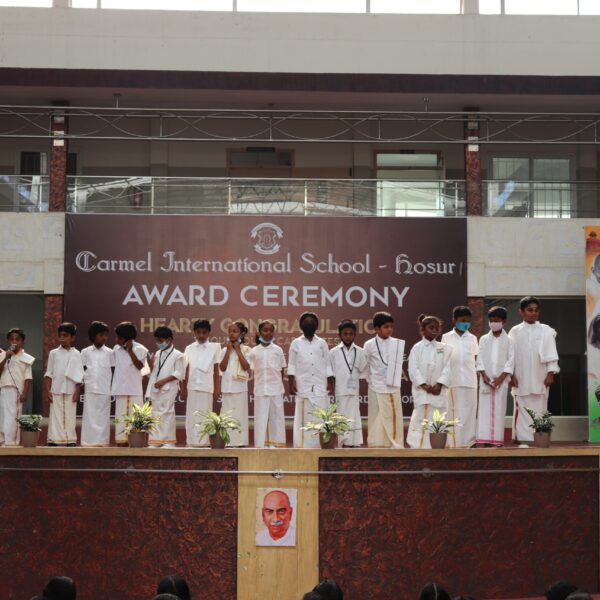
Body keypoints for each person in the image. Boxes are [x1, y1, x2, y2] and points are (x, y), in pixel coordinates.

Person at [509, 296, 559, 445]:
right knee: (522, 408)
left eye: (536, 310)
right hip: (521, 377)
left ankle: (539, 439)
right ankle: (523, 439)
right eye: (530, 310)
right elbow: (510, 355)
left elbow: (551, 353)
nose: (533, 313)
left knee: (540, 409)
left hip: (540, 376)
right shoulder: (515, 331)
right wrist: (511, 375)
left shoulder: (546, 330)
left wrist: (551, 373)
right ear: (521, 311)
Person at [407, 314, 453, 449]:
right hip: (423, 392)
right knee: (420, 418)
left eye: (437, 328)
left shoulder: (444, 348)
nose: (434, 330)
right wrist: (424, 385)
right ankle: (418, 446)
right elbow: (413, 369)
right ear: (423, 329)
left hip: (438, 392)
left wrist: (439, 384)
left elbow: (448, 367)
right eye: (431, 328)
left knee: (438, 418)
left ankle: (438, 446)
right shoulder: (417, 348)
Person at [288, 312, 333, 448]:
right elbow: (292, 365)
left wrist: (330, 381)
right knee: (304, 418)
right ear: (301, 325)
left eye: (312, 321)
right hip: (303, 385)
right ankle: (302, 446)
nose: (309, 323)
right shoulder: (296, 343)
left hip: (320, 385)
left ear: (317, 325)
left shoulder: (322, 343)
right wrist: (291, 383)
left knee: (320, 417)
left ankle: (319, 447)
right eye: (306, 322)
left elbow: (327, 363)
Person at [363, 311, 405, 448]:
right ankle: (377, 445)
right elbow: (365, 366)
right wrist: (372, 380)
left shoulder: (397, 344)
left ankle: (396, 444)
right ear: (377, 328)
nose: (390, 329)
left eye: (391, 326)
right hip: (376, 387)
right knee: (376, 416)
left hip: (393, 386)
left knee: (394, 416)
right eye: (386, 327)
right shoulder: (369, 344)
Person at [476, 306, 514, 447]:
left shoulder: (509, 340)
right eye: (491, 320)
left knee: (499, 409)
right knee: (484, 410)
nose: (493, 323)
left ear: (504, 321)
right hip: (486, 380)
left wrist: (501, 378)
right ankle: (485, 439)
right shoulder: (484, 339)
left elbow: (511, 360)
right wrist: (483, 375)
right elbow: (479, 358)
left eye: (496, 321)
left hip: (501, 382)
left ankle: (497, 440)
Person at [441, 306, 479, 448]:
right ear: (454, 320)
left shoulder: (473, 338)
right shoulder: (446, 337)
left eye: (468, 321)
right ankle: (453, 442)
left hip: (470, 380)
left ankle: (469, 442)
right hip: (453, 380)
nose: (466, 324)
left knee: (469, 412)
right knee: (453, 411)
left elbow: (476, 359)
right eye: (463, 321)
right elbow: (443, 359)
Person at [181, 319, 221, 447]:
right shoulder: (189, 348)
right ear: (194, 332)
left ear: (209, 333)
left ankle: (205, 442)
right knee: (191, 415)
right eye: (198, 332)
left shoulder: (215, 347)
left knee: (205, 414)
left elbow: (216, 370)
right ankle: (191, 442)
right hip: (192, 386)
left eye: (204, 333)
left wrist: (217, 389)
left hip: (207, 386)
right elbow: (185, 369)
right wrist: (183, 388)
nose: (201, 335)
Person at [45, 323, 84, 447]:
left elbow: (79, 374)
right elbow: (49, 373)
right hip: (56, 388)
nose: (62, 338)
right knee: (55, 416)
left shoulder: (76, 353)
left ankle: (70, 440)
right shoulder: (53, 353)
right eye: (60, 335)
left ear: (72, 337)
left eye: (65, 335)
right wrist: (47, 390)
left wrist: (77, 391)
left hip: (70, 389)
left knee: (70, 415)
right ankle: (54, 440)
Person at [146, 326, 186, 447]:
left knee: (167, 413)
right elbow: (154, 372)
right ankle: (155, 441)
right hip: (156, 388)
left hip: (168, 388)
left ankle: (168, 441)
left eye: (161, 340)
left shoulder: (178, 355)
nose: (159, 343)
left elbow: (179, 373)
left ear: (169, 339)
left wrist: (163, 381)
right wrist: (150, 365)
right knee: (155, 413)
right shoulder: (158, 353)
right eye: (157, 340)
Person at [330, 319, 366, 447]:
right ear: (339, 334)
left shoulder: (360, 351)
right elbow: (330, 373)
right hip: (340, 390)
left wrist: (355, 376)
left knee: (354, 415)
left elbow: (364, 370)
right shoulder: (333, 352)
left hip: (354, 390)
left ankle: (354, 443)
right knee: (341, 416)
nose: (348, 336)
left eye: (351, 334)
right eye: (345, 334)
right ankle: (342, 442)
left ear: (355, 334)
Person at [250, 320, 287, 448]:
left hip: (276, 389)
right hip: (260, 389)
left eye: (271, 331)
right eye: (265, 330)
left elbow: (281, 370)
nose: (268, 333)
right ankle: (260, 445)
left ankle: (277, 445)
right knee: (260, 418)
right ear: (259, 333)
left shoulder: (278, 350)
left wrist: (279, 384)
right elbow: (250, 369)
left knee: (276, 418)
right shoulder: (254, 351)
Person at [111, 321, 148, 445]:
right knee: (120, 417)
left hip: (135, 389)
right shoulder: (116, 349)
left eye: (119, 338)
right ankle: (121, 441)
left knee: (135, 417)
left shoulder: (140, 349)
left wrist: (130, 350)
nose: (116, 340)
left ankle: (136, 442)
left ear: (128, 339)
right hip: (120, 389)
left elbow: (139, 366)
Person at [80, 321, 114, 447]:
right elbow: (81, 370)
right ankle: (87, 442)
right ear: (93, 336)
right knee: (89, 417)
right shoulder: (85, 352)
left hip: (105, 389)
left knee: (103, 418)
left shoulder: (110, 353)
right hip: (89, 389)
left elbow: (114, 371)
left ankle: (102, 442)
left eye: (106, 335)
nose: (104, 337)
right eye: (101, 335)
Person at [219, 321, 252, 446]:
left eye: (235, 331)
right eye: (230, 331)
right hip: (227, 388)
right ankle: (227, 442)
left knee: (239, 416)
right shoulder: (224, 350)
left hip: (239, 388)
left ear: (242, 334)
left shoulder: (247, 349)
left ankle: (240, 442)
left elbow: (246, 366)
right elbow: (222, 367)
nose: (231, 334)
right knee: (226, 416)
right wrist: (228, 351)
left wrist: (238, 350)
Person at [0, 328, 34, 446]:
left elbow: (28, 377)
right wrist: (6, 357)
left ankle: (12, 442)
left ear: (22, 342)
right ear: (8, 341)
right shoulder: (3, 355)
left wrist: (25, 393)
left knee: (12, 416)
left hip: (16, 391)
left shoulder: (26, 358)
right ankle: (3, 440)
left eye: (17, 339)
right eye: (11, 339)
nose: (14, 342)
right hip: (3, 388)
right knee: (3, 415)